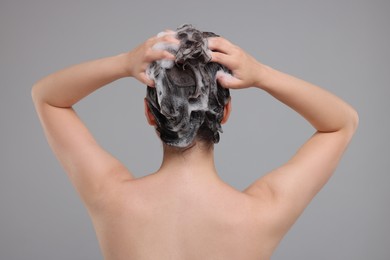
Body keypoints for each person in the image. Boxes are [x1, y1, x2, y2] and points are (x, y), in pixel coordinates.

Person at [32, 25, 358, 260]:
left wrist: (123, 63)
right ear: (226, 112)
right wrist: (262, 74)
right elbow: (341, 123)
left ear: (149, 112)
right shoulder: (261, 212)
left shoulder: (111, 198)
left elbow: (47, 97)